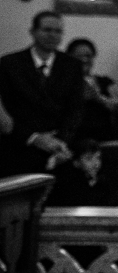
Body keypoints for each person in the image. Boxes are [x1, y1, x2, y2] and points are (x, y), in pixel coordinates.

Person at [0, 12, 85, 173]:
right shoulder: (10, 64)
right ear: (33, 31)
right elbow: (6, 109)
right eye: (47, 30)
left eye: (57, 31)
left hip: (58, 146)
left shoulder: (71, 65)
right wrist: (34, 138)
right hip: (20, 145)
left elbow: (75, 109)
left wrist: (60, 140)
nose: (52, 35)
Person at [66, 38, 118, 142]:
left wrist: (98, 97)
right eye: (78, 56)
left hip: (103, 138)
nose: (84, 60)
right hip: (72, 138)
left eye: (88, 56)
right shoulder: (61, 82)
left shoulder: (105, 82)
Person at [46, 139, 113, 206]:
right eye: (89, 159)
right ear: (76, 163)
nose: (96, 163)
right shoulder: (69, 184)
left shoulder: (104, 180)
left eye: (98, 157)